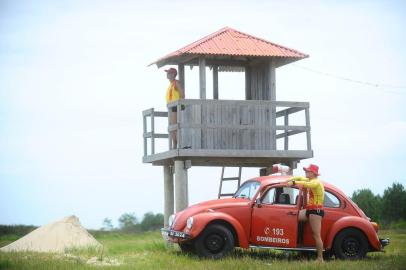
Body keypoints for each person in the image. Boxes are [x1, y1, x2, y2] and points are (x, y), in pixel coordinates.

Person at [287, 164, 325, 262]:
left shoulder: (316, 182)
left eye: (307, 171)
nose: (306, 172)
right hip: (309, 210)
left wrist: (294, 182)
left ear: (313, 173)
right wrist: (288, 180)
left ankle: (320, 258)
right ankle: (292, 245)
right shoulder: (310, 180)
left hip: (316, 211)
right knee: (293, 217)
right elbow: (300, 178)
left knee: (316, 235)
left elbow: (307, 185)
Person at [165, 67, 184, 149]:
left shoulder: (176, 83)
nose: (167, 74)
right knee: (172, 127)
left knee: (174, 127)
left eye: (169, 73)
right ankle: (175, 145)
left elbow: (182, 95)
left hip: (175, 107)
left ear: (173, 74)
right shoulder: (171, 84)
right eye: (167, 73)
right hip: (171, 107)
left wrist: (180, 104)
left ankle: (176, 145)